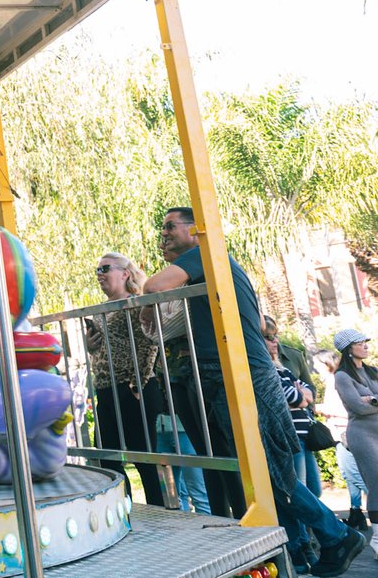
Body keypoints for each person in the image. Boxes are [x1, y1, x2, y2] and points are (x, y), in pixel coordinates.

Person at [146, 207, 365, 576]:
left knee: (266, 472)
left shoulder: (206, 254)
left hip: (243, 372)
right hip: (231, 372)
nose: (163, 235)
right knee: (264, 471)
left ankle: (336, 534)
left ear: (196, 230)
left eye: (170, 227)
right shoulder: (208, 270)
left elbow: (153, 288)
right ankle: (299, 551)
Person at [83, 252, 166, 507]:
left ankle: (158, 511)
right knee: (108, 458)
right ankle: (123, 510)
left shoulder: (137, 303)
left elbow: (149, 343)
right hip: (107, 389)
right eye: (97, 271)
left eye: (105, 269)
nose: (100, 275)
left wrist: (137, 382)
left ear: (125, 273)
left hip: (133, 388)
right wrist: (90, 346)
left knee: (144, 459)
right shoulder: (100, 311)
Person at [267, 316, 323, 500]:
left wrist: (301, 397)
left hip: (306, 432)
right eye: (268, 337)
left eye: (275, 336)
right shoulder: (268, 370)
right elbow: (294, 397)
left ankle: (313, 528)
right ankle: (303, 529)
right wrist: (300, 397)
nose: (275, 341)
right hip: (291, 434)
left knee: (315, 490)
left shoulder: (287, 364)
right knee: (300, 490)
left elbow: (308, 393)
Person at [333, 329, 378, 533]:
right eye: (360, 342)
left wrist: (370, 399)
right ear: (348, 349)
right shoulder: (342, 376)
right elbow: (357, 407)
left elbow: (364, 403)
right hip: (362, 435)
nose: (365, 345)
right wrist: (368, 400)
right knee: (376, 482)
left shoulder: (372, 371)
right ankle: (377, 539)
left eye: (365, 341)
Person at [318, 348, 369, 528]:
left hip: (344, 433)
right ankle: (356, 513)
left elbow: (344, 408)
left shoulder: (336, 380)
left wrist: (320, 408)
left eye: (317, 365)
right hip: (349, 432)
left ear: (325, 364)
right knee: (351, 476)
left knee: (354, 474)